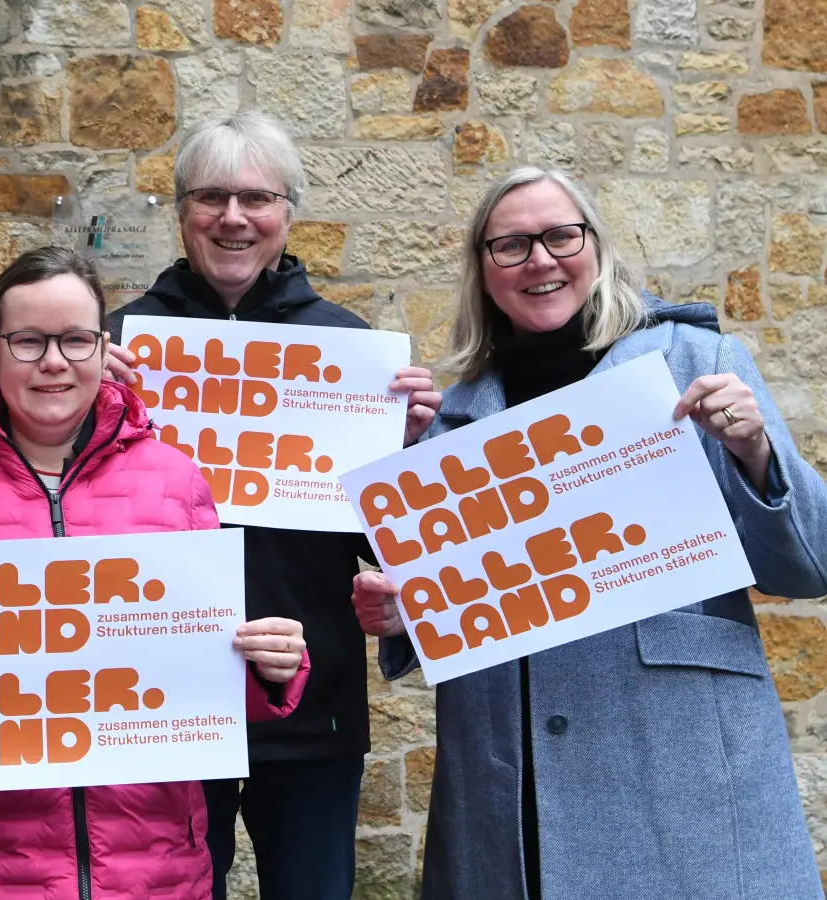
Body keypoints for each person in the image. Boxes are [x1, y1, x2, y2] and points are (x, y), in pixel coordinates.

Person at [351, 165, 827, 899]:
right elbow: (449, 603)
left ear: (595, 247)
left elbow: (808, 568)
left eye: (559, 236)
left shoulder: (697, 363)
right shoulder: (451, 423)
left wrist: (754, 451)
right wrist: (401, 611)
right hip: (510, 787)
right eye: (509, 245)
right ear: (483, 271)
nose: (539, 260)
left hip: (679, 764)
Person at [0, 245, 309, 900]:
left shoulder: (175, 480)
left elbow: (207, 678)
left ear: (104, 350)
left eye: (75, 340)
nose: (53, 362)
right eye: (28, 341)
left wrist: (269, 667)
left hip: (153, 870)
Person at [104, 111, 442, 900]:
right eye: (211, 196)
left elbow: (390, 542)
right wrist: (86, 409)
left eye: (256, 197)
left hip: (310, 701)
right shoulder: (116, 344)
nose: (233, 217)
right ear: (182, 210)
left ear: (289, 213)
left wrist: (411, 455)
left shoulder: (349, 350)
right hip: (158, 697)